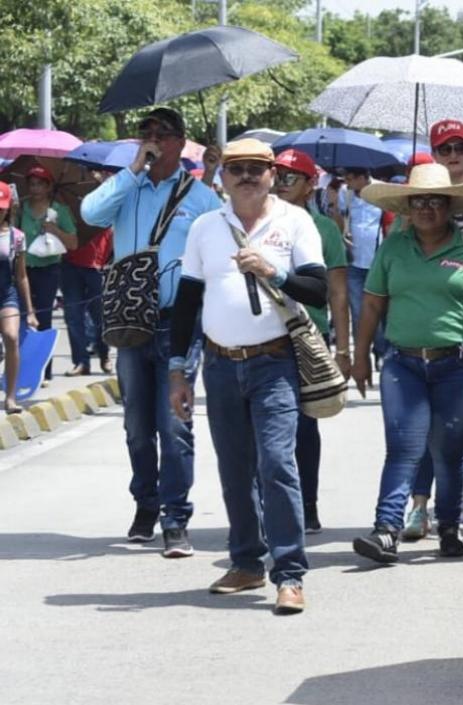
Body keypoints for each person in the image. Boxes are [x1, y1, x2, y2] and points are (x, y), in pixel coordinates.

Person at [167, 139, 327, 615]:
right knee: (234, 469)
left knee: (277, 464)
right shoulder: (204, 227)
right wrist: (179, 370)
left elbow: (316, 289)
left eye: (257, 168)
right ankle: (246, 562)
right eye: (237, 169)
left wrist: (273, 272)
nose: (246, 176)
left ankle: (290, 573)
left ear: (273, 175)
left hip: (274, 362)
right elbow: (187, 303)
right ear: (222, 177)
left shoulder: (295, 222)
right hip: (219, 364)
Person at [349, 163, 463, 563]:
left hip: (460, 365)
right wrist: (358, 355)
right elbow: (371, 303)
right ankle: (386, 529)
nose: (426, 208)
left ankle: (450, 527)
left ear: (450, 206)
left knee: (449, 452)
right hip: (403, 364)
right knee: (402, 448)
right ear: (407, 207)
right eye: (418, 201)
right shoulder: (393, 248)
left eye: (435, 201)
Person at [81, 107, 222, 555]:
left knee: (174, 424)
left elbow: (220, 250)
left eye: (163, 133)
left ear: (182, 143)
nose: (154, 139)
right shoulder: (127, 187)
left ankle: (175, 517)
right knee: (137, 425)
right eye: (147, 132)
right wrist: (131, 171)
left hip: (177, 325)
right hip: (128, 323)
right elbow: (90, 213)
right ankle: (146, 501)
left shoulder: (200, 198)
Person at [402, 118, 463, 535]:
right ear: (435, 153)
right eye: (445, 148)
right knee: (422, 426)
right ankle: (419, 502)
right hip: (421, 333)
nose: (454, 154)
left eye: (461, 147)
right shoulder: (412, 212)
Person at [273, 148, 352, 534]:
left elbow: (338, 293)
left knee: (305, 426)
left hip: (309, 335)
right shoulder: (255, 222)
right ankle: (265, 505)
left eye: (290, 177)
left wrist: (344, 348)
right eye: (277, 175)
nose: (281, 183)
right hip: (264, 335)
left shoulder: (325, 230)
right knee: (264, 428)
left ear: (308, 186)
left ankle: (308, 504)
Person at [328, 166, 392, 367]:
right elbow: (339, 222)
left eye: (351, 178)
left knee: (381, 310)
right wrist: (337, 218)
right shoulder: (344, 194)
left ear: (364, 177)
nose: (348, 182)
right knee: (357, 311)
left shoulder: (382, 190)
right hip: (354, 261)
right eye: (346, 179)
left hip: (378, 261)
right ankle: (361, 353)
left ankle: (381, 351)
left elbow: (389, 223)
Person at [18, 164, 77, 381]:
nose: (35, 189)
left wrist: (55, 230)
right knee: (22, 318)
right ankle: (23, 366)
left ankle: (44, 369)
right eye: (31, 184)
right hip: (22, 269)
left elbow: (73, 242)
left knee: (43, 317)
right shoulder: (20, 208)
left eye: (40, 184)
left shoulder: (59, 211)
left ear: (48, 187)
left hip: (49, 271)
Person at [61, 210, 113, 377]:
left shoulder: (102, 204)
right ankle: (81, 362)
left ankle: (104, 354)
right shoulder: (66, 207)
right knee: (73, 317)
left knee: (99, 317)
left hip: (97, 266)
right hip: (69, 265)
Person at [0, 183, 38, 413]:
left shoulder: (16, 237)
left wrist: (31, 310)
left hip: (7, 293)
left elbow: (21, 275)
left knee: (12, 337)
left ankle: (10, 397)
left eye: (1, 207)